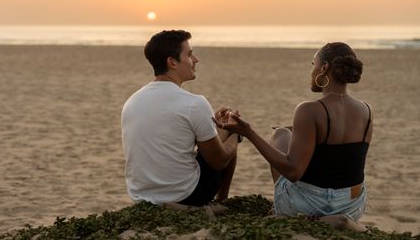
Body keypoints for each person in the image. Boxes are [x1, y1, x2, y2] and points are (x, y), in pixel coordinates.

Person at [214, 42, 372, 220]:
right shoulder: (366, 110)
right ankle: (339, 219)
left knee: (281, 134)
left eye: (313, 65)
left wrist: (248, 132)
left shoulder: (309, 109)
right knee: (288, 133)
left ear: (324, 68)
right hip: (352, 206)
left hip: (308, 206)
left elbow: (293, 171)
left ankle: (289, 210)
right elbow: (340, 155)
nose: (311, 72)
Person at [121, 30, 240, 206]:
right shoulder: (194, 103)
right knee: (232, 133)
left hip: (142, 198)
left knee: (221, 133)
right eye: (190, 55)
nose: (196, 60)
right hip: (186, 195)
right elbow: (219, 161)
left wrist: (214, 125)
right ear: (172, 62)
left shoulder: (131, 101)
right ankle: (222, 199)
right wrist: (236, 133)